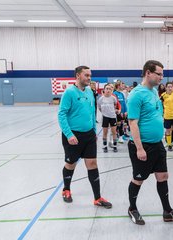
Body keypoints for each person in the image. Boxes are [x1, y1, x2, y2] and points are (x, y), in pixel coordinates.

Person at [126, 60, 173, 225]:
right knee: (138, 179)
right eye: (158, 74)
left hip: (157, 144)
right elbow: (133, 123)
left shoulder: (153, 92)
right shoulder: (136, 95)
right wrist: (139, 148)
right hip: (142, 145)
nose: (161, 77)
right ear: (148, 73)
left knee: (162, 176)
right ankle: (132, 208)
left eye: (161, 74)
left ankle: (167, 212)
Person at [58, 66, 112, 208]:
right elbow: (61, 114)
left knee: (92, 164)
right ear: (77, 76)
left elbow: (92, 112)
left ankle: (97, 198)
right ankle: (66, 189)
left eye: (90, 75)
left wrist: (94, 131)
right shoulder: (69, 93)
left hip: (89, 135)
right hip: (73, 136)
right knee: (71, 164)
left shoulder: (89, 91)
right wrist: (69, 134)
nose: (89, 78)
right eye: (86, 75)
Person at [98, 83, 119, 153]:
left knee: (114, 132)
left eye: (110, 89)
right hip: (105, 117)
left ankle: (115, 146)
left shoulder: (113, 98)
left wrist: (112, 111)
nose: (108, 90)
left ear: (112, 90)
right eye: (107, 88)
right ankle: (105, 146)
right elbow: (99, 108)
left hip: (112, 117)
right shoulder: (101, 99)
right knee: (105, 133)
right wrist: (105, 113)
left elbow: (115, 105)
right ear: (104, 90)